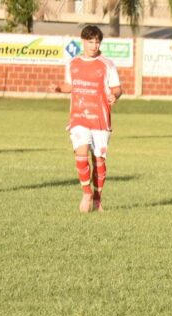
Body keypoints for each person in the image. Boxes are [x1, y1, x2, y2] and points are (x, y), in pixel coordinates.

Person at [50, 25, 122, 212]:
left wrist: (114, 95)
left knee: (98, 160)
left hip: (100, 119)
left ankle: (98, 198)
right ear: (83, 41)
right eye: (90, 42)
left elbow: (117, 88)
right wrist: (59, 88)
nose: (94, 45)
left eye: (97, 42)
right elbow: (70, 86)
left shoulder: (107, 64)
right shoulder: (73, 63)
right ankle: (87, 193)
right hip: (79, 116)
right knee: (81, 154)